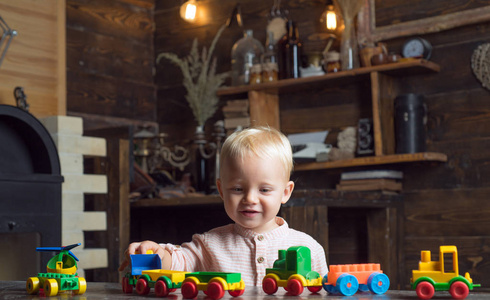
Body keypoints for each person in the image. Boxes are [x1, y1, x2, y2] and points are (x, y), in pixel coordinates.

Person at [119, 126, 328, 286]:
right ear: (221, 190)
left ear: (285, 192)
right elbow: (177, 264)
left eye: (264, 190)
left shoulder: (309, 248)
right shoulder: (209, 245)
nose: (250, 199)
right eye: (237, 189)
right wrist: (156, 253)